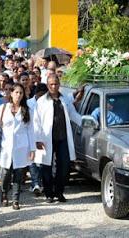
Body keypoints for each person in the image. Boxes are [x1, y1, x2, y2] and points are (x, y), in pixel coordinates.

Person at [33, 75, 82, 203]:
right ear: (48, 85)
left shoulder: (64, 99)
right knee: (46, 166)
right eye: (51, 84)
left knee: (64, 165)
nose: (53, 87)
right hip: (46, 138)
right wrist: (37, 139)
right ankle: (49, 193)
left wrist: (86, 122)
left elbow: (73, 114)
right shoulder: (42, 101)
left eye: (55, 84)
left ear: (59, 84)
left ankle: (59, 192)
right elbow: (36, 122)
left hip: (62, 137)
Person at [0, 83, 36, 210]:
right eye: (16, 92)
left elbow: (31, 131)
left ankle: (15, 200)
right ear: (11, 93)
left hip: (22, 147)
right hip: (6, 146)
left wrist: (32, 149)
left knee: (19, 173)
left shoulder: (27, 110)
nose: (19, 95)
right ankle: (4, 193)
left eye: (21, 93)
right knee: (6, 173)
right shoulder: (3, 108)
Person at [27, 83, 48, 195]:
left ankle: (39, 183)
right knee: (32, 160)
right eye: (40, 95)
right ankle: (35, 183)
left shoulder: (48, 103)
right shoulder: (28, 103)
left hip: (44, 136)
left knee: (41, 161)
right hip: (31, 135)